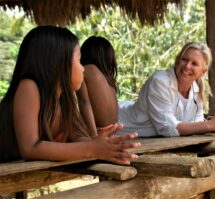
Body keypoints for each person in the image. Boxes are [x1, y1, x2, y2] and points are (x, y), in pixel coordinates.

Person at [0, 26, 140, 164]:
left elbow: (76, 137)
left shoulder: (63, 101)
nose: (83, 68)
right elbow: (30, 149)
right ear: (58, 64)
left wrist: (99, 142)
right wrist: (92, 148)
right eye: (79, 61)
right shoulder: (29, 87)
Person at [117, 42, 215, 137]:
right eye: (184, 60)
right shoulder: (160, 81)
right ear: (178, 60)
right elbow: (168, 128)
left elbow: (195, 126)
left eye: (194, 64)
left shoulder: (196, 89)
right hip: (116, 125)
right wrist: (211, 125)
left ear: (203, 71)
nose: (187, 66)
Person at [77, 36, 118, 136]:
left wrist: (94, 136)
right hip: (112, 131)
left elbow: (84, 103)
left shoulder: (85, 70)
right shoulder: (108, 80)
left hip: (97, 131)